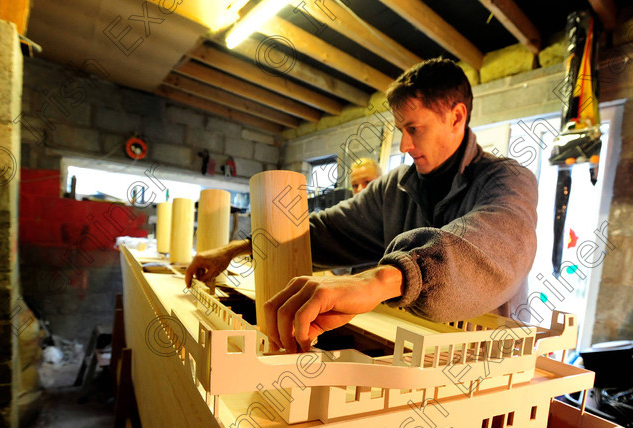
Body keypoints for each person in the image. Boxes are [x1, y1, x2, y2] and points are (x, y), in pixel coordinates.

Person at [186, 57, 538, 354]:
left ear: (456, 117)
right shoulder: (394, 188)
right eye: (401, 129)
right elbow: (324, 232)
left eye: (414, 128)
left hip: (482, 357)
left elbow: (492, 240)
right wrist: (236, 250)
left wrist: (380, 279)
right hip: (411, 352)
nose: (403, 145)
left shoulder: (507, 180)